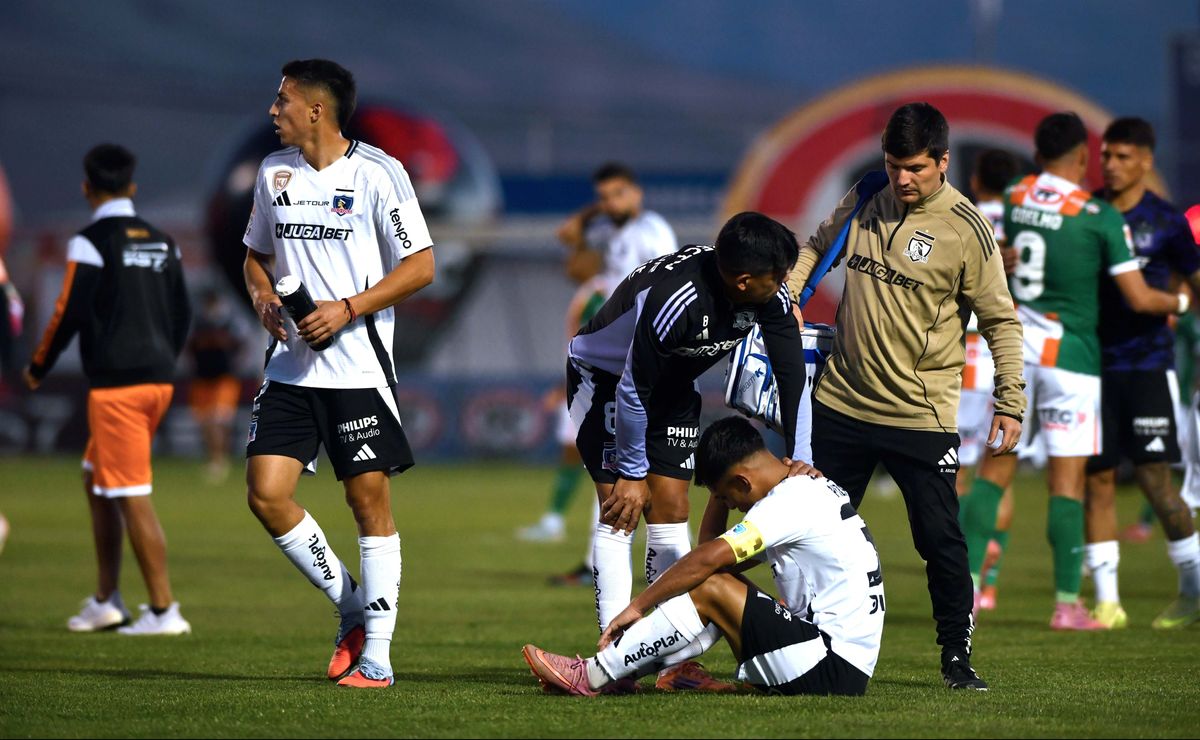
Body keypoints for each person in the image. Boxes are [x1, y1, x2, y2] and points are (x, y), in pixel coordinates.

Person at [787, 103, 1023, 690]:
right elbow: (817, 247)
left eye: (915, 167)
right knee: (807, 533)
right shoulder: (867, 194)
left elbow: (1001, 322)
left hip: (919, 415)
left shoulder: (967, 230)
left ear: (943, 161)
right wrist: (788, 298)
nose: (902, 179)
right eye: (894, 166)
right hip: (840, 404)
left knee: (940, 540)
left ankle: (955, 657)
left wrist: (1010, 400)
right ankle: (803, 643)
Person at [241, 59, 435, 689]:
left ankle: (377, 653)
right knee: (266, 494)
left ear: (317, 110)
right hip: (291, 370)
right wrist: (264, 300)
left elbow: (422, 267)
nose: (273, 110)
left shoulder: (381, 173)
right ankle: (351, 603)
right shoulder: (273, 174)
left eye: (283, 100)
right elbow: (255, 260)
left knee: (366, 500)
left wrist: (348, 308)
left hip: (358, 370)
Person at [960, 112, 1188, 631]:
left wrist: (1003, 258)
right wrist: (1177, 299)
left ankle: (967, 592)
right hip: (1073, 359)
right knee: (1067, 484)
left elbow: (996, 251)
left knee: (993, 473)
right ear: (1084, 159)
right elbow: (1135, 295)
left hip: (1013, 350)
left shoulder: (1016, 194)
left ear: (1038, 157)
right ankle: (1067, 605)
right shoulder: (1097, 214)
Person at [567, 212, 811, 692]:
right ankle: (614, 659)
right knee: (621, 510)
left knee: (674, 509)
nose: (785, 285)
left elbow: (792, 378)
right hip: (606, 380)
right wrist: (633, 474)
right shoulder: (677, 300)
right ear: (743, 281)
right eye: (777, 276)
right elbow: (633, 388)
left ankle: (670, 660)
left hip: (674, 384)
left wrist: (802, 454)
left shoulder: (771, 296)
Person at [521, 416, 884, 696]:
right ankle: (672, 671)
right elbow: (711, 558)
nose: (733, 508)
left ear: (743, 481)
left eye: (728, 498)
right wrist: (717, 489)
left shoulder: (786, 504)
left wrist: (638, 605)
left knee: (710, 583)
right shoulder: (802, 491)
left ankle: (593, 676)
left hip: (829, 667)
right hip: (837, 662)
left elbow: (708, 560)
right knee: (709, 579)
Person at [24, 144, 192, 634]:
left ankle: (164, 611)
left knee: (130, 492)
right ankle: (106, 600)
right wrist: (162, 358)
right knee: (97, 479)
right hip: (158, 379)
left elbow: (68, 312)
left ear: (87, 187)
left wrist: (39, 365)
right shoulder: (164, 242)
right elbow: (182, 313)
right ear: (132, 187)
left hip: (118, 385)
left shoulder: (90, 241)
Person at [1081, 117, 1200, 630]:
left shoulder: (1166, 221)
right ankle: (1108, 604)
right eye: (1106, 155)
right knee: (1098, 479)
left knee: (1156, 483)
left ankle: (1193, 589)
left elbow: (1195, 284)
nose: (1111, 164)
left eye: (1123, 156)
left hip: (1149, 366)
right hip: (1093, 367)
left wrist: (1179, 302)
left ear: (1146, 162)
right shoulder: (1087, 210)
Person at [957, 149, 1021, 612]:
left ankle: (968, 567)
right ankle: (991, 576)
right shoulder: (1024, 222)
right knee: (999, 473)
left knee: (955, 474)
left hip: (964, 358)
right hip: (1008, 359)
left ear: (977, 179)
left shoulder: (966, 219)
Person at [187, 287, 246, 482]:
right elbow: (190, 347)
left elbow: (240, 346)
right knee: (205, 421)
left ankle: (219, 459)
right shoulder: (199, 323)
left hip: (223, 378)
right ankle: (214, 458)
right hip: (202, 378)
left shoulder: (229, 323)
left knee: (219, 420)